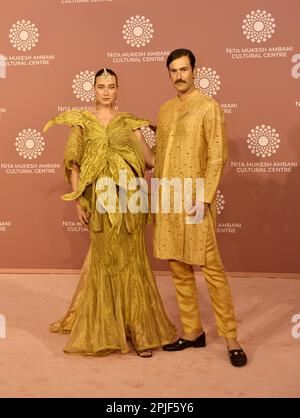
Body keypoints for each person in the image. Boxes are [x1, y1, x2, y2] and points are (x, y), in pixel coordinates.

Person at [43, 68, 176, 357]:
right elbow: (74, 164)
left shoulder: (130, 123)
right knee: (106, 258)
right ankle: (107, 329)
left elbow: (150, 162)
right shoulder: (82, 123)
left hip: (132, 198)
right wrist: (79, 201)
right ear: (93, 88)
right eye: (101, 86)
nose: (106, 91)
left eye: (111, 86)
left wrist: (161, 142)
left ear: (118, 89)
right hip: (100, 198)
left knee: (133, 258)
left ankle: (140, 334)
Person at [153, 49, 247, 367]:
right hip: (168, 198)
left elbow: (218, 156)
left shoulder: (209, 107)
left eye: (184, 69)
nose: (179, 75)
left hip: (195, 200)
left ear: (194, 70)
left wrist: (204, 199)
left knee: (212, 270)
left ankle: (231, 337)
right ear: (168, 74)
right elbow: (161, 156)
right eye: (173, 71)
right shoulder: (165, 110)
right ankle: (193, 332)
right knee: (179, 269)